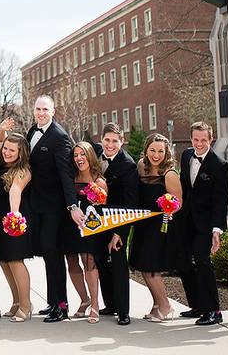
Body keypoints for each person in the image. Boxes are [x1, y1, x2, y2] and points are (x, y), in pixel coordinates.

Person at [4, 95, 78, 322]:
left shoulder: (60, 137)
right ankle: (52, 301)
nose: (41, 112)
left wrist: (72, 205)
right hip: (38, 204)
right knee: (47, 254)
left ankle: (62, 306)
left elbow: (66, 175)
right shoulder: (31, 132)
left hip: (54, 207)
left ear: (53, 111)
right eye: (38, 109)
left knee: (53, 254)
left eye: (45, 109)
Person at [177, 121, 228, 326]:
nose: (199, 144)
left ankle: (214, 310)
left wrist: (217, 229)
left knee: (202, 261)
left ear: (211, 139)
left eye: (204, 140)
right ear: (191, 139)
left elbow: (221, 201)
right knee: (183, 262)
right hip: (186, 220)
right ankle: (197, 305)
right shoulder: (186, 156)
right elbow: (184, 185)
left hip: (206, 224)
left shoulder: (219, 165)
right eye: (196, 140)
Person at [129, 133, 181, 322]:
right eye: (152, 150)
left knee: (151, 267)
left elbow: (178, 203)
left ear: (166, 152)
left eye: (160, 151)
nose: (156, 155)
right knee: (143, 266)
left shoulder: (170, 174)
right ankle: (157, 304)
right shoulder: (141, 166)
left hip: (160, 226)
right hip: (143, 223)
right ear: (146, 150)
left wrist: (169, 205)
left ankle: (166, 306)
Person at [93, 121, 139, 325]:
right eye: (106, 140)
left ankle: (123, 311)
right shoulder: (95, 157)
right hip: (98, 220)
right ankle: (110, 303)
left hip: (119, 222)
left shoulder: (128, 165)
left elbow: (131, 203)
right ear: (101, 140)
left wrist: (119, 232)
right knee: (101, 261)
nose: (110, 145)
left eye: (114, 141)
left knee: (119, 265)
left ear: (122, 141)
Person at [63, 141, 106, 324]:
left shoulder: (99, 181)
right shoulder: (70, 178)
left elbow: (103, 209)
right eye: (76, 155)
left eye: (82, 154)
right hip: (69, 225)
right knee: (72, 262)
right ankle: (84, 299)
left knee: (89, 262)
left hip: (91, 228)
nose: (79, 158)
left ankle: (95, 304)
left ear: (90, 156)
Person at [0, 133, 34, 322]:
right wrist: (1, 128)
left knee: (15, 260)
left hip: (16, 221)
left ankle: (26, 305)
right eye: (5, 149)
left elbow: (15, 190)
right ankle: (16, 301)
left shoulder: (23, 170)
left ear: (21, 152)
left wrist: (14, 214)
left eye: (12, 150)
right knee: (4, 260)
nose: (7, 152)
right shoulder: (3, 165)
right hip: (4, 220)